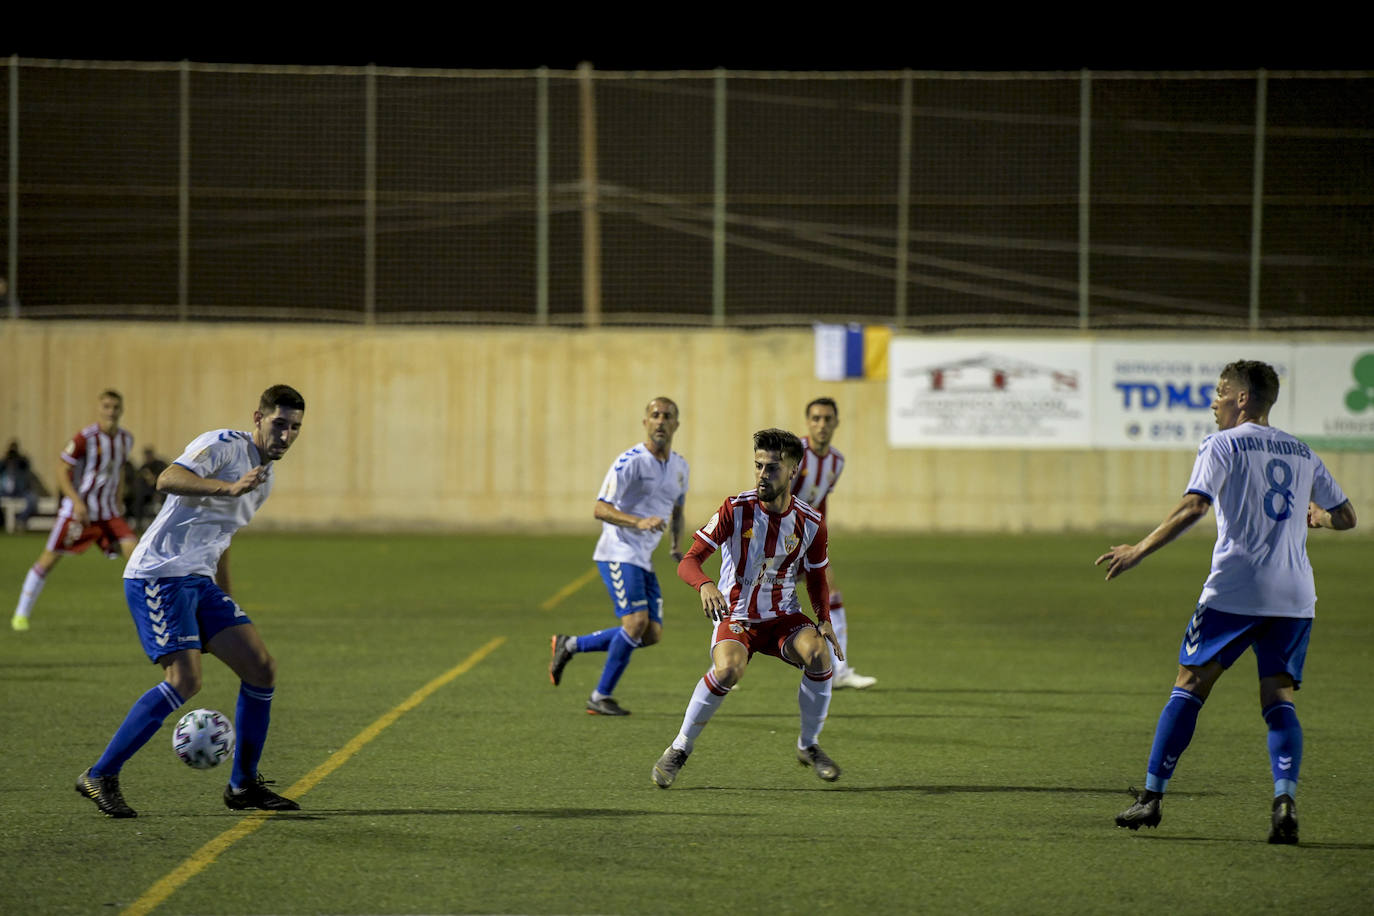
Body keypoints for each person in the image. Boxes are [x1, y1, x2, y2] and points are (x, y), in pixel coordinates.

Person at [1096, 360, 1356, 845]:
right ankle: (1284, 802)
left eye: (1219, 392)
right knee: (1279, 700)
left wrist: (1138, 550)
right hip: (1295, 596)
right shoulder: (1301, 451)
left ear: (1241, 399)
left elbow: (1196, 505)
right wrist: (1316, 518)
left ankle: (1151, 798)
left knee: (1188, 686)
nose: (1213, 402)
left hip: (1236, 591)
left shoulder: (1221, 444)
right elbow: (1347, 516)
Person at [75, 384, 306, 818]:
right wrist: (227, 488)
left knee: (261, 669)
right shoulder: (222, 445)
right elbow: (168, 479)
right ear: (257, 418)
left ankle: (242, 786)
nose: (286, 436)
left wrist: (227, 597)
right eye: (279, 424)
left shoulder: (264, 478)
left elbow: (223, 536)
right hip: (159, 574)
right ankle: (100, 774)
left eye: (294, 428)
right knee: (185, 681)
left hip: (200, 581)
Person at [652, 427, 843, 789]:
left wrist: (824, 621)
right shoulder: (735, 509)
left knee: (819, 656)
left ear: (793, 471)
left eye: (772, 468)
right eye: (758, 466)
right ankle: (679, 748)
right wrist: (705, 584)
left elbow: (817, 577)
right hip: (737, 616)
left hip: (783, 617)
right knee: (727, 671)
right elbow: (688, 561)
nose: (762, 475)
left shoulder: (811, 524)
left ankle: (809, 745)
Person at [549, 397, 688, 716]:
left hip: (643, 557)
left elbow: (678, 508)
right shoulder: (629, 462)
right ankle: (600, 696)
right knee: (636, 623)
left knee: (652, 634)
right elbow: (600, 507)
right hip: (618, 550)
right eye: (655, 415)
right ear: (645, 422)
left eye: (667, 416)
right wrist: (638, 522)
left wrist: (676, 546)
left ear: (676, 425)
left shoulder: (680, 467)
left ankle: (570, 645)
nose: (661, 421)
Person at [12, 391, 138, 631]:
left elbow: (118, 471)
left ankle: (148, 616)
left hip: (109, 513)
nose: (111, 411)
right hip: (79, 512)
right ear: (99, 408)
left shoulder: (125, 439)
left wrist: (119, 500)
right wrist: (76, 502)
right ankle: (21, 614)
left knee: (139, 557)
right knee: (49, 559)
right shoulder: (85, 438)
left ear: (121, 410)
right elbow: (61, 469)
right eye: (106, 406)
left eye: (115, 407)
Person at [792, 397, 876, 689]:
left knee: (831, 594)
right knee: (753, 601)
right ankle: (724, 660)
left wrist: (818, 541)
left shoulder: (836, 461)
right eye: (816, 418)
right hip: (780, 542)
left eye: (828, 419)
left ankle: (839, 672)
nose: (822, 424)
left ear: (836, 423)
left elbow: (820, 501)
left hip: (806, 543)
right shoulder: (795, 454)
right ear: (808, 422)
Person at [1, 439, 41, 529]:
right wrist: (6, 459)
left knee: (33, 499)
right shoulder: (4, 463)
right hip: (4, 491)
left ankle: (20, 520)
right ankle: (2, 521)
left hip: (20, 491)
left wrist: (19, 459)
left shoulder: (21, 463)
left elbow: (27, 466)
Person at [129, 446, 170, 530]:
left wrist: (151, 478)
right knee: (138, 501)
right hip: (146, 494)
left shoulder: (160, 464)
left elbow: (163, 481)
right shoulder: (144, 467)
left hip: (160, 492)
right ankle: (138, 523)